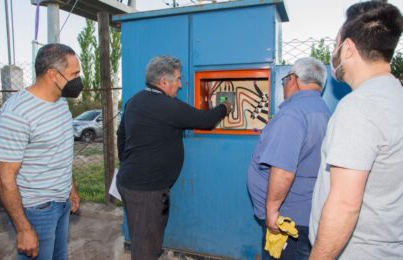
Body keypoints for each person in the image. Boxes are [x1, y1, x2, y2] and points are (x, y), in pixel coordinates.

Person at [309, 2, 403, 259]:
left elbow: (344, 205)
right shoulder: (395, 96)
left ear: (348, 48)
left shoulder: (359, 107)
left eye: (336, 44)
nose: (333, 52)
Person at [116, 56, 231, 260]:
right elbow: (205, 120)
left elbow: (121, 135)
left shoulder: (135, 101)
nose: (180, 84)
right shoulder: (167, 106)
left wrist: (127, 163)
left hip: (135, 183)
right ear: (163, 82)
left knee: (148, 234)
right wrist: (225, 107)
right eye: (177, 79)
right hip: (146, 191)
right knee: (145, 245)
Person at [0, 43, 82, 259]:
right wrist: (24, 228)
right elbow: (4, 179)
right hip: (36, 210)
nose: (79, 79)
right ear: (53, 74)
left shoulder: (61, 103)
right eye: (74, 73)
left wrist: (70, 188)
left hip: (61, 203)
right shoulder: (17, 114)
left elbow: (60, 152)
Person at [247, 57, 330, 259]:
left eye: (284, 79)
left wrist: (273, 213)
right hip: (308, 213)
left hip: (287, 219)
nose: (283, 84)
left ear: (293, 78)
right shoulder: (324, 111)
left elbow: (283, 171)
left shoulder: (292, 115)